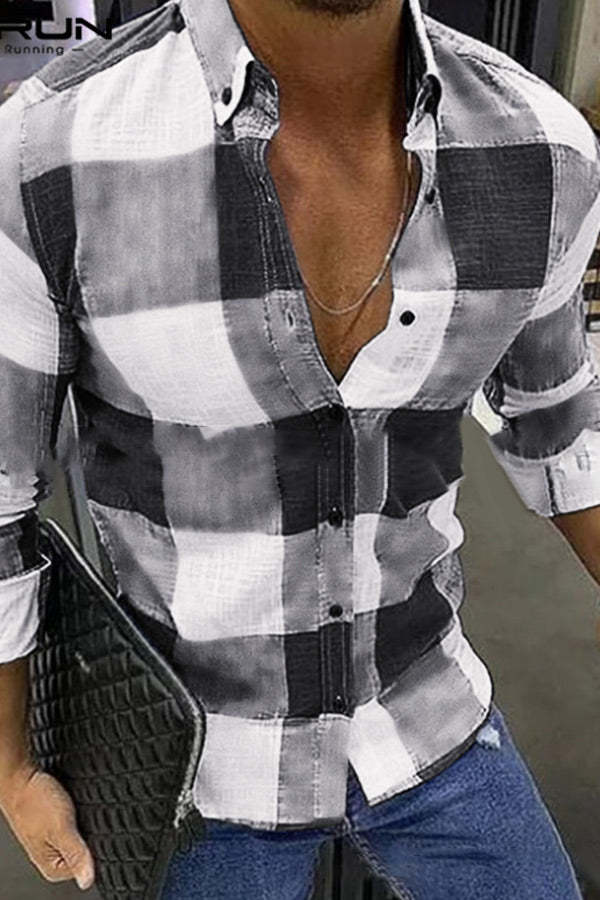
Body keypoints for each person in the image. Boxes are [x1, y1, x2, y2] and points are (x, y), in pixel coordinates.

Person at [0, 0, 599, 896]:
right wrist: (11, 768)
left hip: (423, 707)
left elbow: (563, 427)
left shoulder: (540, 152)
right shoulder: (49, 152)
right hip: (196, 757)